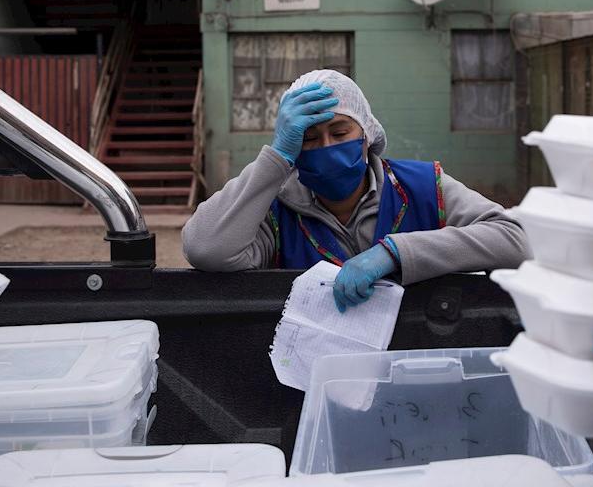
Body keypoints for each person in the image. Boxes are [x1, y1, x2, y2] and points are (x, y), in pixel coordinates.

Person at [183, 69, 529, 311]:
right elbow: (205, 248)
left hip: (412, 373)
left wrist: (395, 253)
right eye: (309, 138)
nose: (326, 145)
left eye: (340, 132)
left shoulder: (422, 186)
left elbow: (516, 240)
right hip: (314, 384)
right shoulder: (275, 210)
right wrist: (277, 158)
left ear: (366, 135)